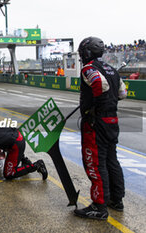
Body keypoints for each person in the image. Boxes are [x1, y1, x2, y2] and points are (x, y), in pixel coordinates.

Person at [74, 37, 127, 220]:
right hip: (112, 121)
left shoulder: (89, 69)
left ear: (86, 52)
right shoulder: (112, 70)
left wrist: (95, 107)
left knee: (95, 163)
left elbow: (98, 85)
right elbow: (122, 93)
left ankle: (99, 206)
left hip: (96, 123)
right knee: (112, 160)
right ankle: (116, 200)